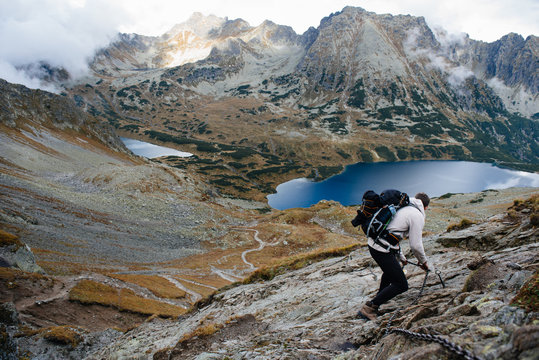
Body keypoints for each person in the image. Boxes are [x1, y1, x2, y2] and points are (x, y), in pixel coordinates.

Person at [358, 192, 430, 320]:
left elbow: (393, 233)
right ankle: (369, 308)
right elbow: (416, 245)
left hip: (375, 244)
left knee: (390, 273)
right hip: (381, 249)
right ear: (425, 207)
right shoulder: (417, 215)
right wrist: (424, 262)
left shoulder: (402, 206)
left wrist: (401, 257)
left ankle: (378, 300)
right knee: (401, 284)